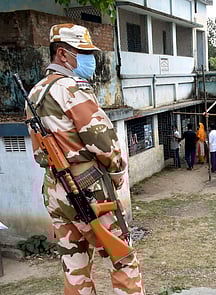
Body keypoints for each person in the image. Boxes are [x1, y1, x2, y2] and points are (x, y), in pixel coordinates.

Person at [26, 23, 145, 294]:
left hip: (56, 189)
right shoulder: (71, 89)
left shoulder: (34, 93)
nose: (89, 58)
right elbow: (104, 142)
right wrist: (117, 173)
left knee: (75, 266)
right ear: (62, 55)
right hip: (89, 188)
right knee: (123, 260)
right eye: (82, 51)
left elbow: (38, 152)